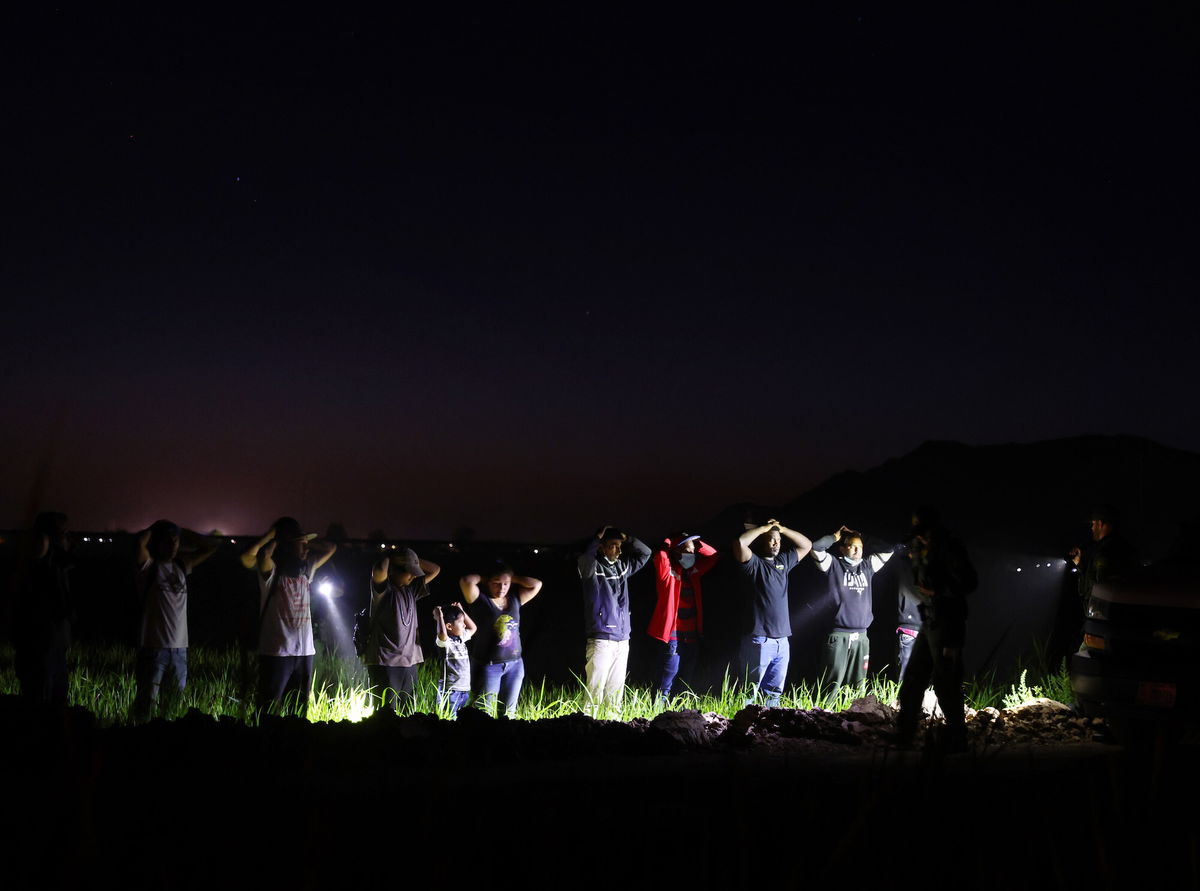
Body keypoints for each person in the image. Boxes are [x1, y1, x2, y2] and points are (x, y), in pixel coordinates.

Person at [895, 509, 977, 752]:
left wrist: (939, 591)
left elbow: (969, 582)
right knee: (913, 678)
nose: (921, 539)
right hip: (930, 621)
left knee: (946, 682)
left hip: (948, 622)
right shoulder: (921, 547)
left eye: (925, 534)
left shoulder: (950, 549)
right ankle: (905, 735)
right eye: (918, 535)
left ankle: (956, 737)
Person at [239, 518, 337, 716]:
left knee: (299, 707)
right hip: (277, 652)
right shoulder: (272, 573)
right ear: (287, 546)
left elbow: (331, 547)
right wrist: (276, 537)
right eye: (302, 545)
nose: (307, 550)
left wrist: (303, 540)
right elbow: (258, 554)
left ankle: (293, 740)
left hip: (304, 653)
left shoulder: (306, 571)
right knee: (268, 706)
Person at [131, 520, 219, 720]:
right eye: (167, 541)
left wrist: (183, 531)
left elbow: (213, 546)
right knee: (146, 706)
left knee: (172, 707)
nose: (173, 546)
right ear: (157, 543)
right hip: (153, 650)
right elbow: (139, 543)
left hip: (180, 651)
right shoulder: (149, 567)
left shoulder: (181, 565)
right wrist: (156, 528)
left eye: (176, 541)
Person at [733, 518, 812, 707]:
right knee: (749, 692)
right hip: (759, 639)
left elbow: (806, 545)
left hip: (782, 640)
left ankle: (768, 732)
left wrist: (782, 529)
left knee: (774, 693)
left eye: (778, 540)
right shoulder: (755, 564)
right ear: (762, 541)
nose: (776, 543)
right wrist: (764, 528)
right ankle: (740, 730)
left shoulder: (783, 562)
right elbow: (740, 543)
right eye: (771, 539)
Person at [809, 526, 894, 697]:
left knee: (858, 685)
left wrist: (862, 535)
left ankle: (855, 720)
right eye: (852, 546)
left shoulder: (867, 565)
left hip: (862, 636)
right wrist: (834, 536)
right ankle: (825, 717)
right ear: (842, 548)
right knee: (831, 684)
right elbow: (816, 547)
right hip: (839, 635)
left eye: (860, 547)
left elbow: (888, 549)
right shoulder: (833, 564)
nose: (857, 550)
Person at [578, 525, 652, 715]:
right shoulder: (592, 567)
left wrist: (628, 538)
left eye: (620, 546)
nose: (619, 550)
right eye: (613, 545)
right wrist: (597, 538)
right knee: (594, 693)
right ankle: (587, 727)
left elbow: (646, 553)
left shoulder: (622, 566)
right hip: (601, 639)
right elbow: (585, 558)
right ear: (602, 547)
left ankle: (614, 730)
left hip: (622, 638)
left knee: (615, 693)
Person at [459, 562, 543, 717]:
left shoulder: (515, 599)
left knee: (508, 714)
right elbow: (466, 581)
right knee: (483, 712)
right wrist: (485, 577)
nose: (502, 588)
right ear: (487, 583)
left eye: (506, 584)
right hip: (488, 666)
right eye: (496, 583)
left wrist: (512, 577)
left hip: (515, 664)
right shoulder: (479, 600)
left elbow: (537, 584)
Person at [363, 547, 441, 711]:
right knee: (385, 712)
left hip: (409, 660)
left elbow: (435, 569)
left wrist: (411, 559)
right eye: (409, 571)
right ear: (392, 570)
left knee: (408, 710)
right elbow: (379, 569)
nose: (413, 576)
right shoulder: (384, 590)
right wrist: (391, 556)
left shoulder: (412, 590)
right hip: (386, 660)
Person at [11, 511, 73, 706]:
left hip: (53, 647)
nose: (67, 537)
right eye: (63, 533)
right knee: (39, 704)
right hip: (39, 648)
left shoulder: (55, 565)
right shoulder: (38, 566)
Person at [647, 533, 718, 698]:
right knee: (666, 680)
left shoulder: (693, 573)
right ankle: (658, 714)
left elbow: (713, 556)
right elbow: (661, 555)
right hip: (673, 636)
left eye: (694, 551)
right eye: (688, 551)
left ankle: (681, 716)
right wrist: (668, 542)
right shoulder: (668, 572)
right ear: (677, 553)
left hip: (691, 635)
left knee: (685, 680)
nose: (692, 555)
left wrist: (697, 542)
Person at [433, 602, 476, 717]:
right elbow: (442, 633)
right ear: (449, 626)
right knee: (448, 721)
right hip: (450, 691)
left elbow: (473, 627)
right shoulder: (445, 643)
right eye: (461, 622)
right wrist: (440, 617)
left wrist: (461, 611)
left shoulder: (461, 638)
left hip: (464, 690)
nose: (464, 625)